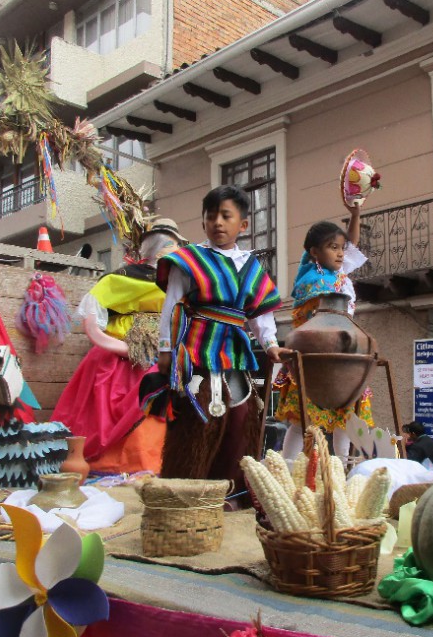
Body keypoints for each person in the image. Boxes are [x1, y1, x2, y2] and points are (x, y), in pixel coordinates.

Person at [155, 186, 283, 485]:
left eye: (226, 216)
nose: (218, 223)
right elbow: (172, 305)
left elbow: (261, 315)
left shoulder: (251, 267)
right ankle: (185, 486)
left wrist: (272, 345)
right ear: (203, 222)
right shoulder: (187, 260)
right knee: (198, 419)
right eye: (211, 216)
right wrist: (165, 349)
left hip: (236, 354)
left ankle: (231, 492)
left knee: (240, 421)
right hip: (196, 350)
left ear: (243, 224)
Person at [51, 218, 186, 474]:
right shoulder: (120, 279)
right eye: (167, 243)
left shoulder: (181, 283)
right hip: (121, 355)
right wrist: (126, 349)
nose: (170, 249)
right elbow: (93, 325)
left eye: (174, 244)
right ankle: (124, 460)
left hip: (165, 353)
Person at [275, 198, 372, 463]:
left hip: (344, 354)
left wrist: (355, 213)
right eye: (333, 248)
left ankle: (341, 465)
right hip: (315, 357)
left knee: (346, 416)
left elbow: (350, 243)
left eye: (341, 249)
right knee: (301, 419)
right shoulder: (313, 281)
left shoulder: (338, 275)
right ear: (315, 253)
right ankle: (287, 464)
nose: (341, 253)